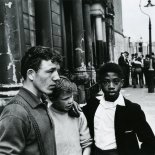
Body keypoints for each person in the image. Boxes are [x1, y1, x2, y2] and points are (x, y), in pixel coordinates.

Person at [0, 46, 62, 155]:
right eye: (50, 71)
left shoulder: (42, 101)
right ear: (31, 74)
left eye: (57, 71)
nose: (57, 77)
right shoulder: (15, 113)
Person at [83, 62, 155, 155]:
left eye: (116, 82)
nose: (111, 86)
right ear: (100, 84)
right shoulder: (93, 105)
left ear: (122, 83)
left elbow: (150, 142)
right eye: (106, 82)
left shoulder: (132, 109)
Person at [48, 76, 92, 155]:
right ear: (53, 100)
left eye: (71, 96)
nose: (70, 101)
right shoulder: (46, 116)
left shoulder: (77, 113)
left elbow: (86, 144)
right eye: (65, 99)